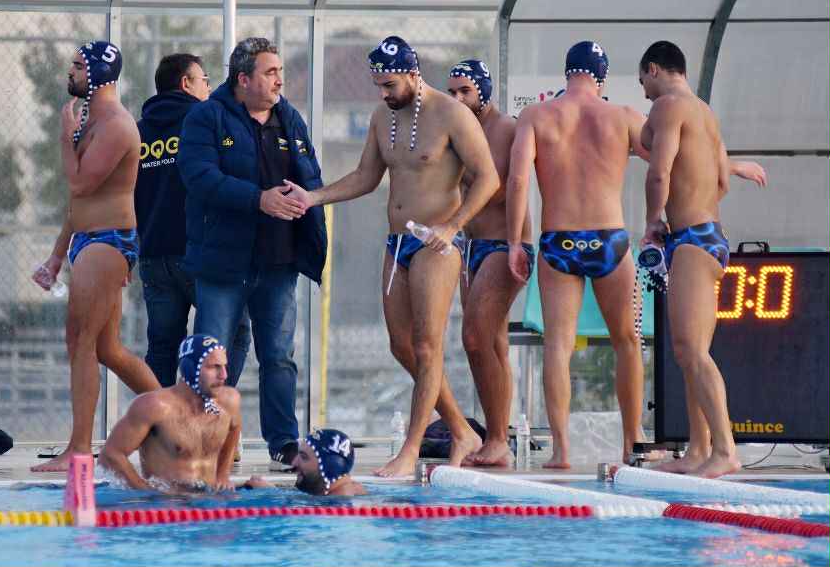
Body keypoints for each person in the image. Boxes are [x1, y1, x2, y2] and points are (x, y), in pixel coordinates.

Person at [507, 41, 765, 470]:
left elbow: (518, 181)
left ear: (568, 72)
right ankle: (632, 443)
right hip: (609, 239)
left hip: (558, 240)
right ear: (602, 77)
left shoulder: (536, 116)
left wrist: (518, 242)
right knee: (628, 343)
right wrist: (733, 166)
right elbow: (678, 157)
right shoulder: (623, 116)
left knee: (558, 345)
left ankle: (561, 451)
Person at [285, 36, 499, 477]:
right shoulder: (383, 116)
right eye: (378, 85)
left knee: (427, 346)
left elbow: (488, 178)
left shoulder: (451, 114)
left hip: (436, 243)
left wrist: (453, 226)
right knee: (400, 345)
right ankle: (461, 430)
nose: (383, 93)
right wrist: (312, 197)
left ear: (412, 74)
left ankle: (411, 448)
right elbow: (366, 176)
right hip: (397, 242)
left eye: (389, 84)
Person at [178, 37, 327, 471]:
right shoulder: (207, 117)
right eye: (270, 72)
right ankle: (202, 439)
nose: (279, 79)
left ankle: (283, 443)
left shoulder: (288, 117)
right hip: (223, 263)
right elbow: (198, 176)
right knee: (210, 355)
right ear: (243, 79)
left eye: (280, 71)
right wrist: (257, 199)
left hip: (279, 262)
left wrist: (306, 204)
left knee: (279, 356)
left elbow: (310, 174)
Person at [31, 41, 161, 472]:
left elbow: (80, 184)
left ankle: (79, 448)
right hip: (87, 238)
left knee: (81, 340)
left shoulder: (118, 126)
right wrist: (56, 256)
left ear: (98, 73)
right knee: (107, 348)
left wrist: (64, 137)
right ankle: (174, 419)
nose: (70, 72)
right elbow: (80, 203)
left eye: (77, 66)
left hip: (109, 241)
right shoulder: (91, 120)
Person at [638, 41, 743, 478]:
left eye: (643, 81)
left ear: (654, 69)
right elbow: (722, 180)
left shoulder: (668, 106)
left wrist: (653, 221)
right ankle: (699, 449)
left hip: (692, 240)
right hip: (709, 236)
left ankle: (725, 449)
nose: (644, 91)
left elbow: (659, 171)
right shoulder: (705, 113)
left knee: (693, 352)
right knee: (687, 351)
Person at [135, 53, 251, 388]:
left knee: (161, 347)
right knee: (229, 335)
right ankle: (207, 409)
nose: (209, 88)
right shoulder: (203, 122)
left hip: (153, 254)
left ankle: (159, 417)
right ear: (186, 83)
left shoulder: (138, 131)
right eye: (204, 80)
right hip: (198, 252)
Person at [445, 59, 534, 467]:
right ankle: (499, 435)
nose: (457, 98)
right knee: (492, 342)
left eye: (465, 91)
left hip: (505, 244)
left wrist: (516, 244)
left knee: (475, 337)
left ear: (484, 91)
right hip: (471, 246)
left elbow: (506, 188)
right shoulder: (457, 129)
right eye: (452, 92)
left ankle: (497, 437)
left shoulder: (507, 129)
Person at [99, 334, 242, 491]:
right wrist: (146, 491)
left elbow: (234, 428)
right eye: (214, 367)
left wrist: (222, 475)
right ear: (191, 369)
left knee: (259, 484)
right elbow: (110, 455)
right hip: (167, 502)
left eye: (224, 366)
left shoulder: (229, 402)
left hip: (210, 497)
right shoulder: (155, 407)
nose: (223, 375)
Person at [243, 429, 366, 496]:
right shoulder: (340, 491)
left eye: (303, 457)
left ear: (329, 467)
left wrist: (273, 493)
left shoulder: (341, 500)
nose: (294, 463)